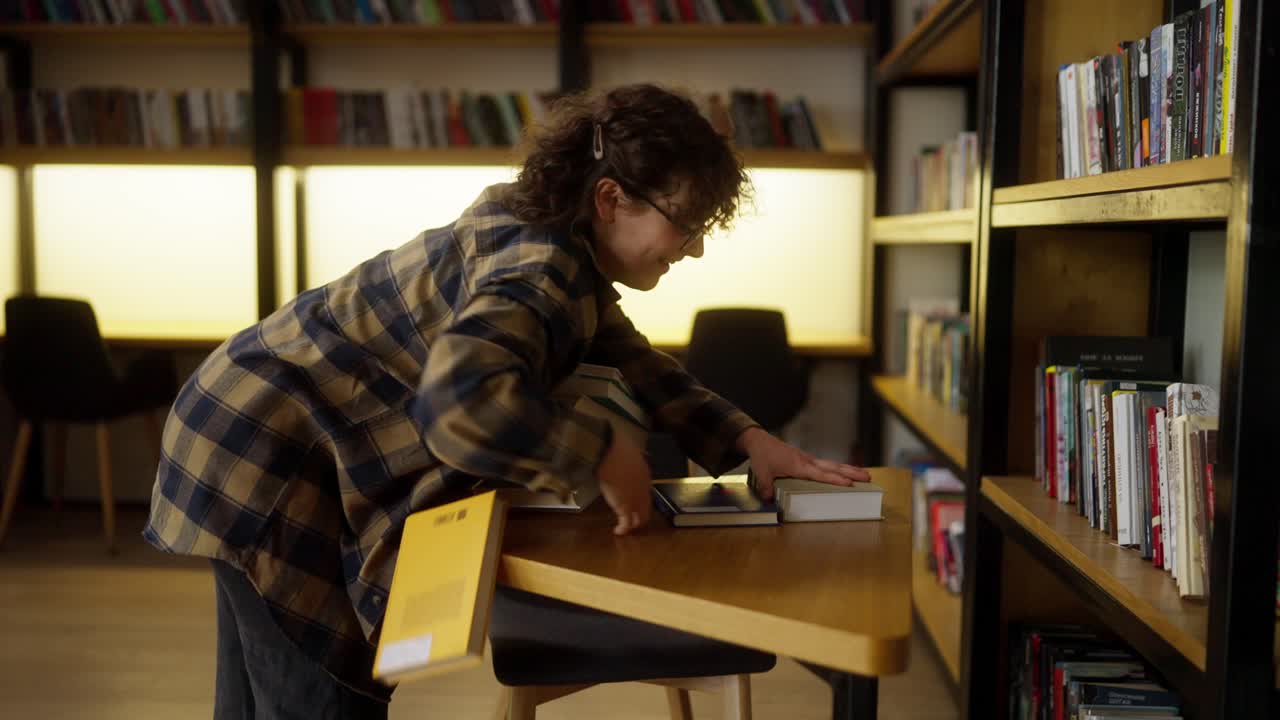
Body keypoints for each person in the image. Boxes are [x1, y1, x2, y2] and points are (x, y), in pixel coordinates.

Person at [144, 83, 870, 719]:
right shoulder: (541, 268)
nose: (695, 249)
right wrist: (599, 454)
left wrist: (748, 440)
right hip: (260, 453)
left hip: (242, 420)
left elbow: (634, 361)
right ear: (610, 198)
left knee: (263, 693)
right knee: (321, 694)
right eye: (685, 223)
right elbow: (462, 399)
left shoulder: (558, 243)